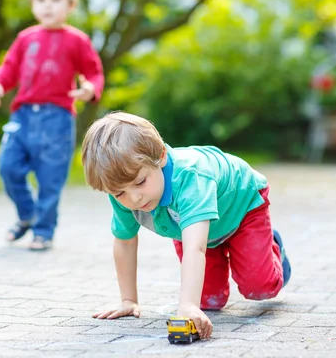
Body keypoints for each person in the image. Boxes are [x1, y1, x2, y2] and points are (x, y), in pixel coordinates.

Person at [81, 112, 291, 339]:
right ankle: (222, 250)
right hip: (198, 231)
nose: (134, 199)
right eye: (120, 192)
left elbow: (195, 248)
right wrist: (129, 300)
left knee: (259, 287)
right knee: (209, 300)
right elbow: (125, 241)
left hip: (241, 208)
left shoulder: (191, 179)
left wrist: (187, 306)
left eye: (140, 182)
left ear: (161, 157)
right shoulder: (123, 195)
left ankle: (272, 247)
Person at [0, 0, 104, 251]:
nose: (48, 6)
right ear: (33, 4)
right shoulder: (26, 38)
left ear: (70, 4)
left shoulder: (77, 40)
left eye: (56, 0)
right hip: (23, 117)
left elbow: (94, 72)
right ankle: (28, 214)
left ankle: (43, 231)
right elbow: (8, 68)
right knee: (8, 167)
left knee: (50, 179)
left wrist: (89, 88)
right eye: (41, 0)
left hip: (57, 119)